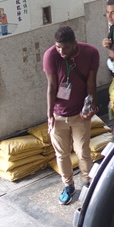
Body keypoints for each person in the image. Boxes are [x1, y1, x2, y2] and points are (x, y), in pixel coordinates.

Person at [44, 25, 100, 206]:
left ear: (74, 44)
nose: (61, 51)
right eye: (58, 47)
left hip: (79, 114)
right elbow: (52, 86)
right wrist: (50, 114)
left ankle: (88, 183)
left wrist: (90, 106)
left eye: (65, 47)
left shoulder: (90, 53)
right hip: (58, 115)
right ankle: (68, 186)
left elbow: (91, 82)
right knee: (61, 154)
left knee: (83, 151)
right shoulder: (50, 55)